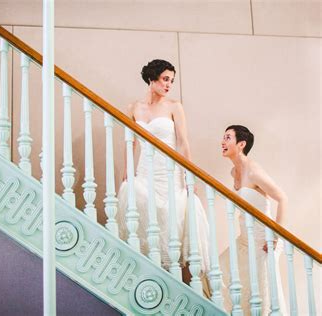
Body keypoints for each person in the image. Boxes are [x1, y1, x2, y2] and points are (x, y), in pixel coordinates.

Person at [116, 59, 210, 283]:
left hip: (168, 172)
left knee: (172, 219)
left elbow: (183, 143)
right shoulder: (134, 107)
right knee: (142, 215)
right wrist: (127, 168)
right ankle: (146, 275)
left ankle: (173, 279)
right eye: (165, 79)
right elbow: (131, 142)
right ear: (152, 78)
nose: (168, 85)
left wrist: (189, 176)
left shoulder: (174, 106)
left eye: (171, 81)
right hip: (145, 172)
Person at [219, 125, 287, 315]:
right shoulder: (234, 172)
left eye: (227, 138)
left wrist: (275, 237)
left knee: (263, 292)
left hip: (263, 241)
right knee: (222, 273)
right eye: (223, 137)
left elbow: (282, 198)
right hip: (244, 239)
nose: (222, 142)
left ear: (241, 144)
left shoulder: (254, 171)